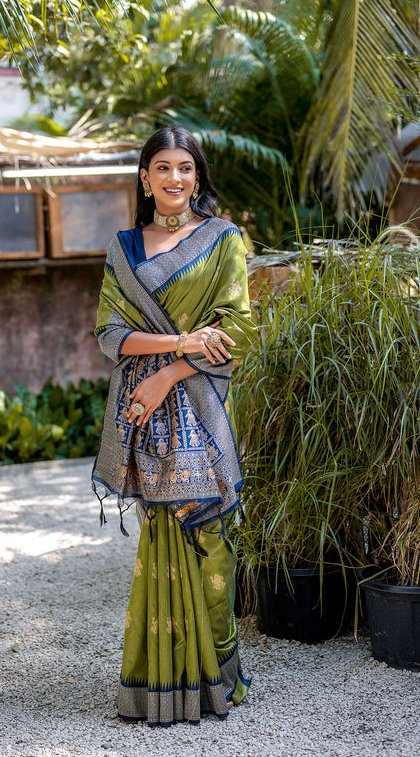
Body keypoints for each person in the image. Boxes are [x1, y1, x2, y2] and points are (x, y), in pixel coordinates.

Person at [92, 126, 256, 727]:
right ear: (145, 178)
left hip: (199, 406)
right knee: (159, 532)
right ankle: (164, 681)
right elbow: (109, 335)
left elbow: (240, 331)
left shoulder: (223, 240)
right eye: (162, 167)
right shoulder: (124, 249)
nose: (174, 178)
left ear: (198, 176)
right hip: (142, 413)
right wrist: (182, 341)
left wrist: (168, 373)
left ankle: (218, 678)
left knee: (210, 537)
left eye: (185, 167)